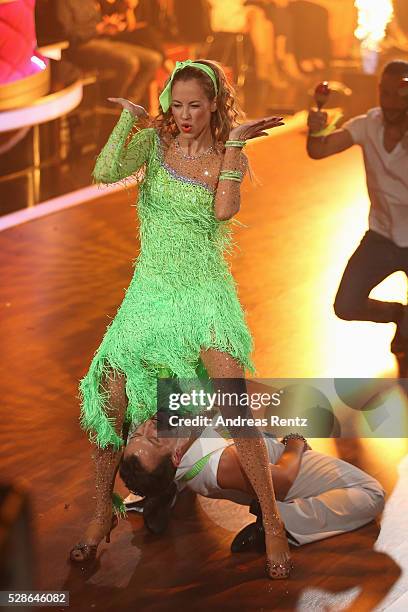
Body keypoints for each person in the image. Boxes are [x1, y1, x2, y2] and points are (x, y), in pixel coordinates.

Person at [69, 58, 292, 579]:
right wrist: (131, 118)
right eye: (178, 104)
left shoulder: (223, 153)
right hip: (150, 290)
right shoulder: (153, 144)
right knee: (112, 393)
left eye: (197, 104)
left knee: (233, 404)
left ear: (213, 104)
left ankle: (275, 524)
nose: (185, 115)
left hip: (204, 291)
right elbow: (103, 173)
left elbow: (223, 212)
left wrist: (234, 144)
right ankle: (103, 511)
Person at [119, 418, 385, 549]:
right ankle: (283, 523)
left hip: (246, 442)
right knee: (371, 494)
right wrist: (295, 443)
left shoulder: (170, 431)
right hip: (276, 466)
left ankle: (165, 492)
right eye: (153, 439)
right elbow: (280, 481)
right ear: (176, 456)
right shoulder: (225, 464)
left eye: (139, 433)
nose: (148, 427)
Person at [307, 60, 408, 375]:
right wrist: (315, 129)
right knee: (346, 306)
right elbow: (319, 150)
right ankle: (401, 315)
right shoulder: (367, 124)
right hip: (380, 237)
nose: (390, 102)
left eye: (399, 94)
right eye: (385, 93)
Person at [56, 0, 161, 104]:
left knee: (153, 59)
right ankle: (112, 105)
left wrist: (111, 26)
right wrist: (98, 29)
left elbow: (101, 23)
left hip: (103, 40)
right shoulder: (63, 3)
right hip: (81, 47)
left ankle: (129, 105)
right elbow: (67, 33)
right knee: (130, 62)